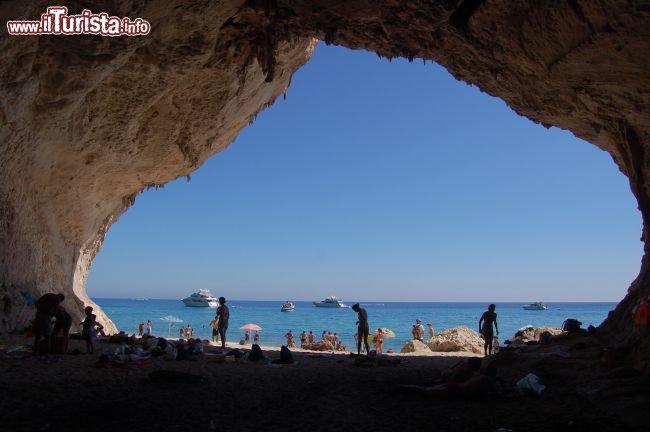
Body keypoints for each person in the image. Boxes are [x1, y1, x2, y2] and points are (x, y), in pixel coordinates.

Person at [33, 293, 64, 357]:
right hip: (47, 317)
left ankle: (35, 352)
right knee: (48, 337)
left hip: (38, 315)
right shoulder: (57, 300)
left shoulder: (48, 294)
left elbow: (36, 303)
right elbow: (54, 312)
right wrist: (51, 315)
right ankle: (47, 354)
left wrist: (40, 310)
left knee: (38, 336)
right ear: (61, 299)